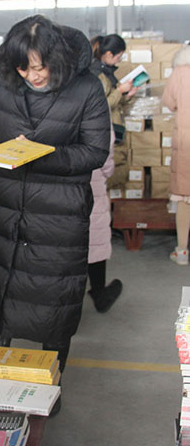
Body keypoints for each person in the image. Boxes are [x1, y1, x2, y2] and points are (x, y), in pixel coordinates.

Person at [0, 15, 111, 414]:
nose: (32, 75)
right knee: (0, 303)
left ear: (57, 58)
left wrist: (42, 155)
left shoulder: (86, 87)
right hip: (6, 212)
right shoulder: (7, 83)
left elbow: (95, 152)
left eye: (40, 66)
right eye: (24, 67)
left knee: (53, 309)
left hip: (59, 218)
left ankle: (48, 389)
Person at [87, 126, 123, 312]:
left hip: (56, 181)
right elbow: (106, 153)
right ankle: (99, 291)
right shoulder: (97, 110)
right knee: (95, 235)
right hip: (91, 178)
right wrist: (107, 171)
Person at [162, 45, 190, 265]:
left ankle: (182, 252)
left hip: (186, 141)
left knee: (185, 199)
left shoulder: (181, 72)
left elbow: (169, 101)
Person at [90, 34, 139, 125]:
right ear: (109, 54)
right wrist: (120, 90)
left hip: (113, 124)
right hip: (103, 126)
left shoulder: (107, 71)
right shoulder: (97, 75)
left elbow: (114, 99)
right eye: (118, 57)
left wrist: (128, 96)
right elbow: (100, 106)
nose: (118, 61)